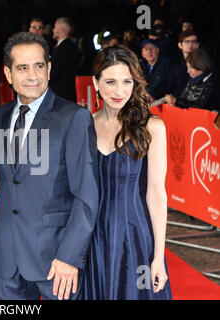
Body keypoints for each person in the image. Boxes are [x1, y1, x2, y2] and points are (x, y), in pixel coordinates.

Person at [0, 32, 99, 300]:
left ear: (49, 69)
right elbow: (1, 179)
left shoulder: (73, 118)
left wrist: (69, 256)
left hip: (55, 260)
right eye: (23, 68)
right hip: (8, 257)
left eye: (39, 66)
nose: (32, 75)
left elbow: (86, 196)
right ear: (7, 73)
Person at [83, 45, 172, 300]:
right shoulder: (83, 125)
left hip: (134, 238)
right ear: (96, 83)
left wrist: (158, 256)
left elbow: (156, 195)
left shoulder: (152, 127)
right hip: (91, 240)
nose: (119, 91)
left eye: (127, 82)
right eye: (110, 81)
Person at [164, 30, 200, 103]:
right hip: (177, 103)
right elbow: (169, 88)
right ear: (180, 45)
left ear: (197, 45)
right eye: (187, 42)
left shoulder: (204, 64)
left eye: (193, 41)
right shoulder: (174, 65)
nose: (190, 44)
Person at [49, 17, 79, 102]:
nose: (53, 30)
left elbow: (54, 71)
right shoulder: (67, 46)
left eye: (55, 27)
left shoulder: (65, 48)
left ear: (61, 30)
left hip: (62, 96)